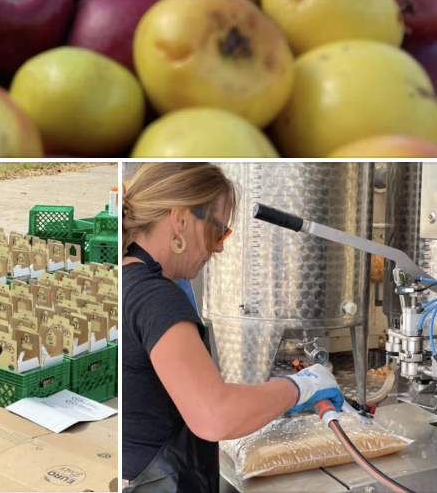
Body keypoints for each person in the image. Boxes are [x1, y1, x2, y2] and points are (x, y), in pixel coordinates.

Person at [122, 162, 350, 492]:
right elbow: (214, 414)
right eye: (218, 231)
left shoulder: (128, 275)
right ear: (180, 219)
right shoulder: (156, 298)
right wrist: (303, 386)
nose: (220, 247)